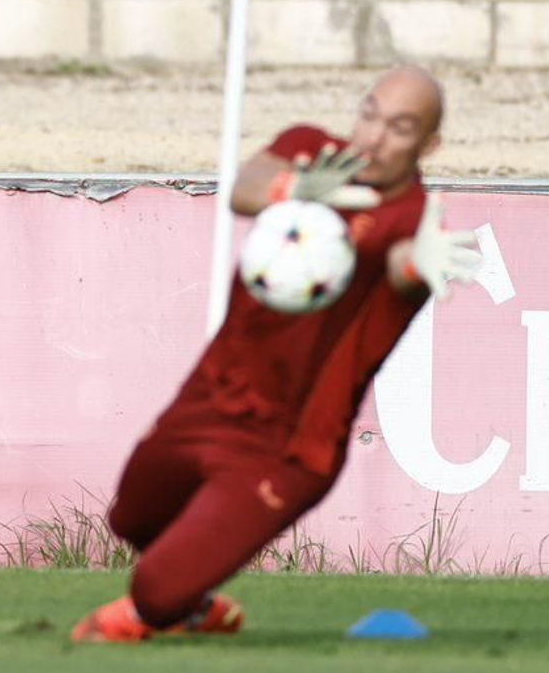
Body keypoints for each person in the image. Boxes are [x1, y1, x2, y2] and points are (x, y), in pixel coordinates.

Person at [72, 66, 482, 642]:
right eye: (370, 115)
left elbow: (402, 266)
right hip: (212, 397)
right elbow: (245, 188)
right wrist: (295, 189)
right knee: (132, 519)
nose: (373, 136)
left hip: (287, 446)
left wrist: (419, 265)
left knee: (153, 593)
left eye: (400, 128)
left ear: (428, 145)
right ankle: (192, 603)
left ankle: (160, 610)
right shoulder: (311, 152)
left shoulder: (412, 219)